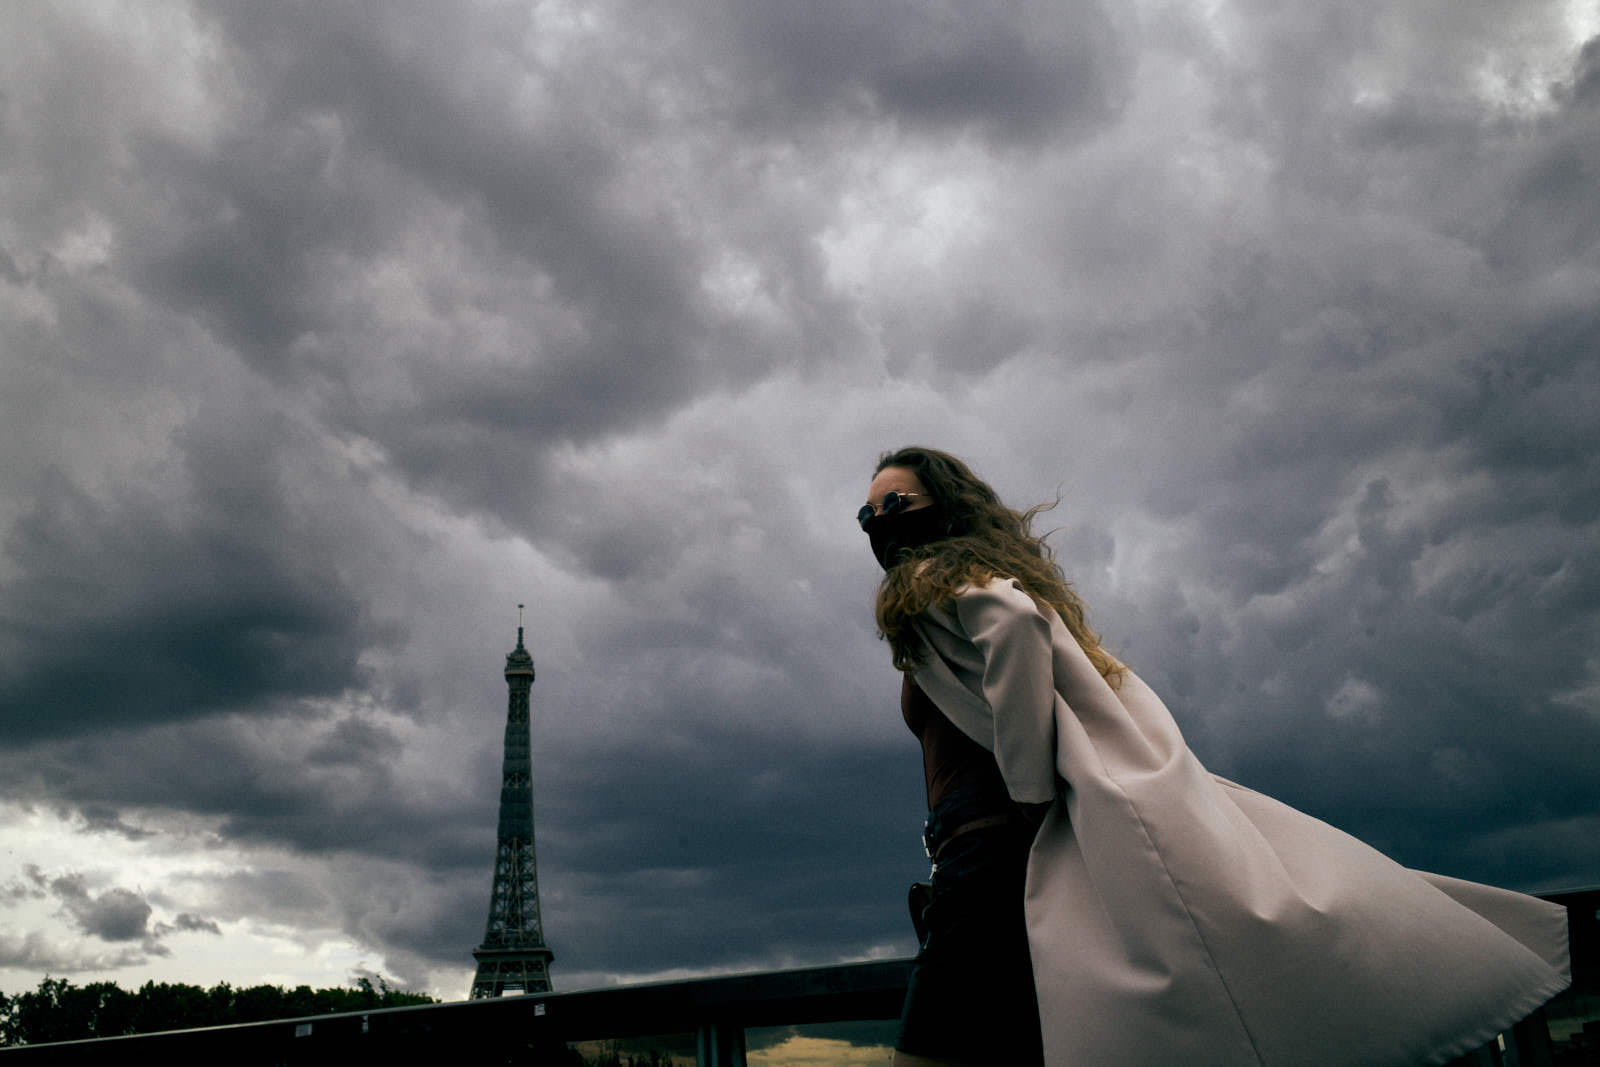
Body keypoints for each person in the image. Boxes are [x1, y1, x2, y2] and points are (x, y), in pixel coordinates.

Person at [860, 446, 1571, 1067]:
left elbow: (1012, 625)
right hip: (996, 863)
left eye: (895, 502)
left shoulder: (943, 580)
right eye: (868, 515)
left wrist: (1027, 789)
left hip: (986, 861)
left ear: (943, 506)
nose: (880, 522)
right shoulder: (962, 594)